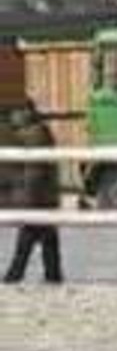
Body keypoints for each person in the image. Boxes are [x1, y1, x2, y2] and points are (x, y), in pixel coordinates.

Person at [4, 100, 63, 284]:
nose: (13, 117)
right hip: (45, 196)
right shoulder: (36, 132)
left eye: (15, 112)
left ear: (26, 113)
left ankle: (13, 277)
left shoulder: (34, 135)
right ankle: (53, 276)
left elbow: (34, 172)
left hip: (38, 197)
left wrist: (27, 199)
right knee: (48, 238)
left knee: (28, 237)